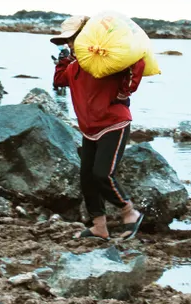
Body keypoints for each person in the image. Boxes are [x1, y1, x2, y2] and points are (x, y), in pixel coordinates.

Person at [51, 15, 146, 241]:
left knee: (102, 174)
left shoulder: (106, 60)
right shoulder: (74, 67)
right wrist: (63, 59)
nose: (70, 45)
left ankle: (129, 212)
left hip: (114, 123)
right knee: (87, 179)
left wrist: (125, 92)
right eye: (67, 42)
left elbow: (138, 62)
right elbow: (59, 81)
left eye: (73, 39)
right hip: (89, 129)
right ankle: (99, 227)